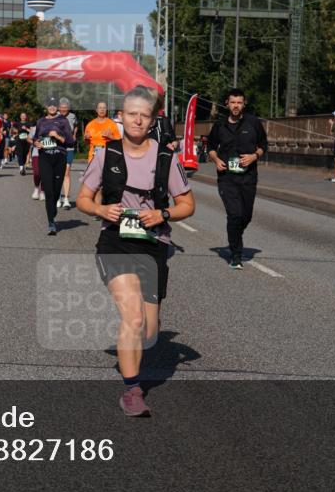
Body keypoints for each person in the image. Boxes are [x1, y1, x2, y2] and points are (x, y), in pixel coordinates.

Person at [75, 85, 194, 417]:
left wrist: (163, 214)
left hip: (154, 244)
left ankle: (130, 350)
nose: (138, 121)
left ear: (153, 119)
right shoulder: (106, 154)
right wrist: (101, 211)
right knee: (134, 317)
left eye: (144, 115)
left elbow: (187, 204)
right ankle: (132, 390)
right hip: (114, 242)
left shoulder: (166, 158)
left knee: (150, 331)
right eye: (132, 114)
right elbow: (82, 199)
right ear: (121, 117)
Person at [207, 88, 268, 270]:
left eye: (239, 102)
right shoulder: (220, 125)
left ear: (244, 104)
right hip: (227, 178)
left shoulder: (253, 123)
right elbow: (210, 146)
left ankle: (234, 236)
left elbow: (263, 145)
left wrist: (254, 156)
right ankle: (236, 254)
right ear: (227, 103)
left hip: (248, 177)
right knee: (234, 214)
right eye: (233, 102)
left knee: (246, 216)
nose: (236, 106)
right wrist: (216, 160)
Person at [33, 98, 73, 235]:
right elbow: (35, 138)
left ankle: (53, 207)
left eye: (54, 105)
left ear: (57, 107)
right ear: (46, 107)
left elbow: (71, 141)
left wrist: (58, 136)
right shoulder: (41, 121)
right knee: (48, 190)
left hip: (59, 158)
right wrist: (36, 143)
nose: (52, 107)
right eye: (49, 105)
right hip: (45, 158)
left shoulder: (63, 121)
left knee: (56, 190)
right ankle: (51, 222)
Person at [58, 98, 78, 209]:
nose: (64, 109)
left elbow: (75, 126)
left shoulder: (72, 116)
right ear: (59, 108)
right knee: (57, 173)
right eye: (62, 107)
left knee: (66, 172)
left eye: (66, 108)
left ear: (68, 108)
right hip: (57, 147)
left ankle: (66, 199)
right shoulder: (55, 116)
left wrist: (74, 135)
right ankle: (57, 197)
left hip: (69, 147)